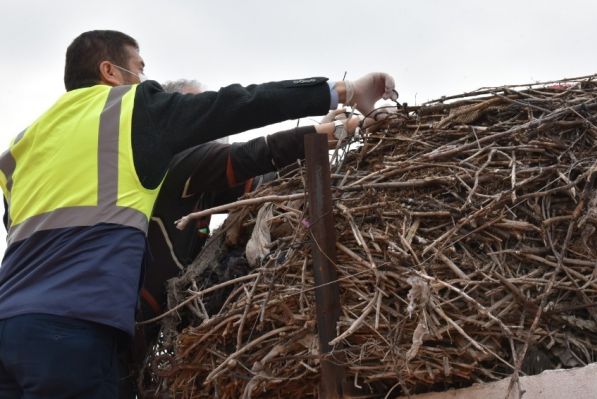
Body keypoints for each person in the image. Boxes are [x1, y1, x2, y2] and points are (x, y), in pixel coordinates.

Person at [0, 29, 396, 398]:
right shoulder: (130, 112)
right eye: (138, 68)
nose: (143, 80)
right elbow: (234, 108)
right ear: (109, 71)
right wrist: (341, 92)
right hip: (74, 331)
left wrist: (325, 135)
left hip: (8, 326)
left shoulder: (24, 146)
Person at [121, 79, 367, 398]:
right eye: (197, 114)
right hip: (117, 328)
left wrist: (322, 139)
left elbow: (268, 180)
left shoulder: (202, 183)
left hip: (136, 336)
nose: (208, 125)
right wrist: (330, 133)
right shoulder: (173, 166)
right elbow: (253, 154)